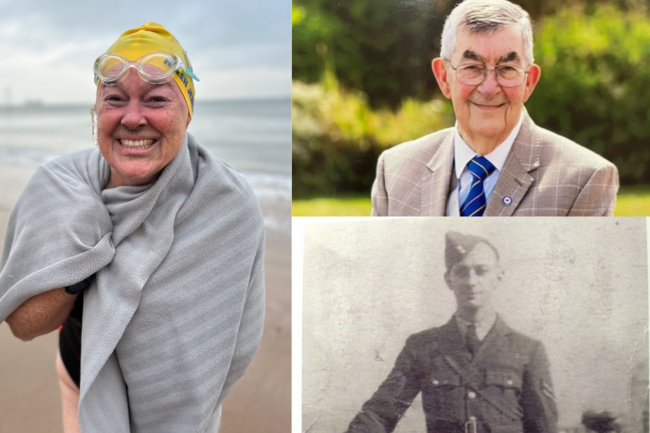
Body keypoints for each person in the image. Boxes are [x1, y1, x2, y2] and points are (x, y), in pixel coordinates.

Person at [0, 22, 265, 433]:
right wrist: (83, 264)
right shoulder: (58, 186)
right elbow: (22, 326)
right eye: (115, 99)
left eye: (157, 99)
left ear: (187, 111)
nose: (134, 117)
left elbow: (233, 350)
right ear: (96, 112)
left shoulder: (228, 207)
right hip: (80, 382)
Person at [371, 0, 619, 217]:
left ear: (529, 81)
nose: (489, 88)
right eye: (472, 67)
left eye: (507, 69)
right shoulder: (395, 171)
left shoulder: (584, 180)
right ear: (444, 78)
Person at [345, 231, 558, 433]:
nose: (471, 281)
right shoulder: (423, 346)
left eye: (481, 271)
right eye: (462, 272)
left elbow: (543, 427)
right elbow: (379, 413)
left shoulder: (527, 351)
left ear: (499, 276)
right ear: (449, 280)